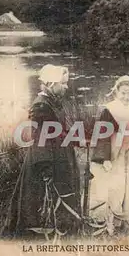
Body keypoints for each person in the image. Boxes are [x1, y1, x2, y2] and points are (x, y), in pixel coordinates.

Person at [13, 64, 81, 239]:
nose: (66, 87)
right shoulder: (41, 106)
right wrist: (45, 168)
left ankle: (64, 229)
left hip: (59, 155)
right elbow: (40, 139)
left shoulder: (52, 101)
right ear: (51, 84)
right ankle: (44, 235)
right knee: (43, 199)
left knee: (63, 195)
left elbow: (58, 130)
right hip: (47, 160)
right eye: (63, 84)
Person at [87, 75, 129, 235]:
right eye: (123, 93)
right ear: (116, 92)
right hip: (115, 152)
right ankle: (111, 221)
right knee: (115, 184)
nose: (126, 97)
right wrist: (105, 158)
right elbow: (102, 134)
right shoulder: (109, 110)